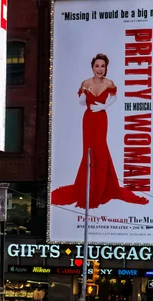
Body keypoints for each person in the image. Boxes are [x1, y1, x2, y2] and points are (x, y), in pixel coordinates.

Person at [52, 53, 148, 208]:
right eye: (97, 66)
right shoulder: (85, 82)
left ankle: (103, 187)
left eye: (102, 66)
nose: (100, 69)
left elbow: (113, 98)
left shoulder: (109, 82)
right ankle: (88, 186)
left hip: (101, 118)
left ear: (106, 68)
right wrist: (84, 92)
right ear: (92, 67)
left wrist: (104, 106)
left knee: (101, 148)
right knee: (88, 150)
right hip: (88, 118)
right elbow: (82, 103)